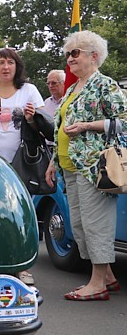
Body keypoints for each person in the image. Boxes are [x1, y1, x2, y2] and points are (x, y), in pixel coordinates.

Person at [44, 31, 126, 301]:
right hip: (71, 165)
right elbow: (60, 128)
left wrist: (88, 126)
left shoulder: (105, 84)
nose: (70, 58)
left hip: (94, 166)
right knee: (78, 224)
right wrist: (54, 162)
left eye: (75, 53)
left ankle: (97, 284)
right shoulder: (72, 87)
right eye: (68, 54)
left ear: (94, 56)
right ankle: (109, 277)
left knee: (95, 224)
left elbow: (123, 120)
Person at [0, 48, 45, 286]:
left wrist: (33, 118)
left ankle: (22, 267)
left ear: (17, 67)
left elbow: (45, 126)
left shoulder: (29, 90)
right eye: (1, 62)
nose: (5, 67)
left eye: (10, 62)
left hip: (21, 160)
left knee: (20, 212)